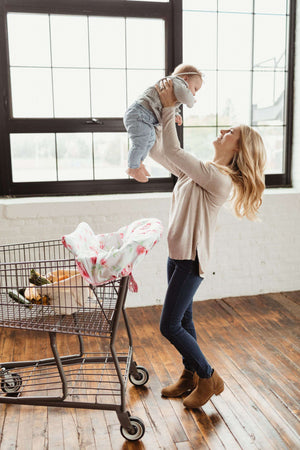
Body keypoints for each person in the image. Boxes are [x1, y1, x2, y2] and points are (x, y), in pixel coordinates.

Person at [149, 79, 266, 409]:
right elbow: (161, 152)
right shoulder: (202, 171)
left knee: (169, 325)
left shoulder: (218, 178)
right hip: (177, 257)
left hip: (190, 262)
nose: (223, 131)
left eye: (231, 132)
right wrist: (160, 116)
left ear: (238, 150)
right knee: (184, 322)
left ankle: (209, 377)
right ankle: (189, 377)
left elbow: (173, 151)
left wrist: (171, 103)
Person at [123, 64, 203, 182]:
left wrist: (176, 114)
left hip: (145, 118)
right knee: (141, 142)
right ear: (185, 79)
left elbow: (168, 103)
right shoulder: (176, 81)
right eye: (195, 89)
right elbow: (185, 97)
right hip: (139, 114)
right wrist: (192, 101)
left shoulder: (173, 88)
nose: (194, 93)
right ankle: (132, 167)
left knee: (149, 141)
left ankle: (139, 163)